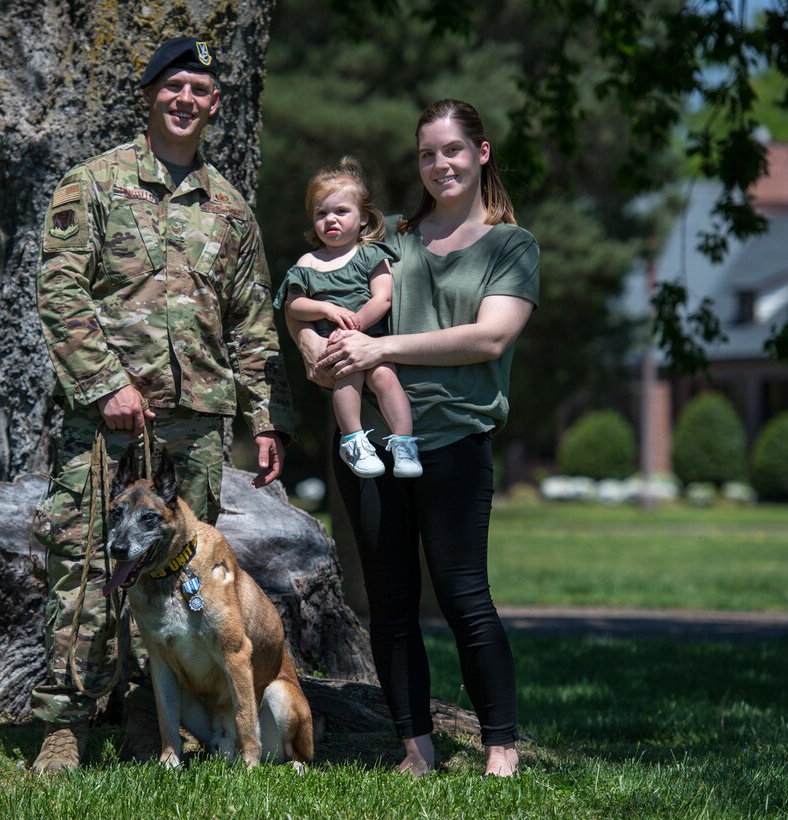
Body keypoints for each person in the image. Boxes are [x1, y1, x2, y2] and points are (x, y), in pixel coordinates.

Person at [29, 37, 293, 774]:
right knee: (87, 571)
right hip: (104, 423)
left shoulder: (230, 208)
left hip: (197, 427)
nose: (184, 100)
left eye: (198, 91)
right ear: (148, 95)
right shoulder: (94, 184)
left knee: (180, 583)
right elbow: (60, 292)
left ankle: (154, 723)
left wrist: (264, 418)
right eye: (171, 86)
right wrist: (104, 381)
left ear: (214, 105)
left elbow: (250, 323)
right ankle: (66, 728)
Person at [288, 99, 538, 777]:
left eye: (452, 150)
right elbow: (316, 290)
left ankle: (500, 747)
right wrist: (311, 342)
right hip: (370, 444)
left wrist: (380, 348)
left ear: (480, 153)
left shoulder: (509, 245)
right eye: (427, 154)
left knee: (461, 596)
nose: (439, 165)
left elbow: (488, 337)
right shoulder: (393, 242)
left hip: (453, 441)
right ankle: (415, 751)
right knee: (390, 603)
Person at [273, 157, 421, 480]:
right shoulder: (309, 263)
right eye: (321, 213)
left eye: (341, 211)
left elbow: (383, 297)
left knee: (384, 377)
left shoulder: (370, 254)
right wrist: (326, 310)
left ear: (364, 218)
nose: (331, 220)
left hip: (372, 340)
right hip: (335, 347)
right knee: (347, 378)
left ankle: (404, 443)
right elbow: (295, 304)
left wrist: (355, 326)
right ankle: (353, 440)